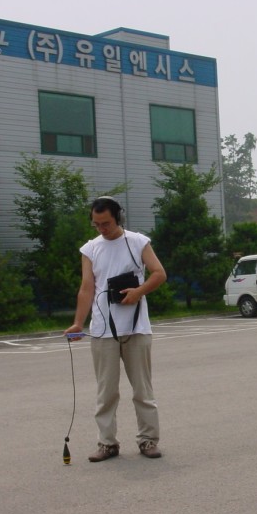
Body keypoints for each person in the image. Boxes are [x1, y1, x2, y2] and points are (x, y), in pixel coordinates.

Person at [65, 196, 167, 462]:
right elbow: (87, 288)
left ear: (118, 218)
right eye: (96, 224)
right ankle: (107, 443)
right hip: (102, 330)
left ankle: (148, 440)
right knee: (106, 391)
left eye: (106, 223)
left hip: (136, 328)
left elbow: (159, 273)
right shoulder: (90, 249)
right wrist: (78, 322)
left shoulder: (138, 242)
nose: (101, 229)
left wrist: (138, 292)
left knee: (143, 389)